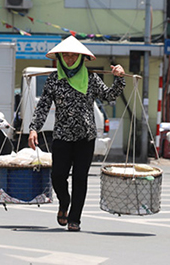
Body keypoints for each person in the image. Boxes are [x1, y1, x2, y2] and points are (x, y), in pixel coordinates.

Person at [28, 36, 126, 232]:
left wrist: (120, 77)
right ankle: (64, 202)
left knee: (80, 178)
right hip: (62, 136)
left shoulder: (90, 78)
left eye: (74, 55)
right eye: (66, 55)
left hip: (85, 137)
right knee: (57, 176)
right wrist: (33, 128)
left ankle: (75, 219)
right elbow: (43, 106)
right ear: (61, 58)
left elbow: (109, 96)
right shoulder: (54, 79)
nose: (70, 58)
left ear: (81, 58)